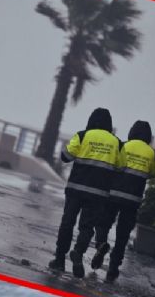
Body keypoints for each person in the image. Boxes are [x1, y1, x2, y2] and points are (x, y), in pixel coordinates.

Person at [49, 108, 119, 278]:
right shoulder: (116, 142)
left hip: (76, 189)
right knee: (87, 227)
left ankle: (59, 260)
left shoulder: (82, 135)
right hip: (98, 194)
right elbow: (120, 166)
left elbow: (66, 156)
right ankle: (78, 253)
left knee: (67, 222)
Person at [89, 120, 155, 283]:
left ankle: (101, 244)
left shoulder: (121, 145)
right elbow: (152, 174)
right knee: (123, 235)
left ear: (132, 132)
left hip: (113, 194)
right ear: (148, 136)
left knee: (102, 224)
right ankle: (113, 268)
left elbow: (113, 165)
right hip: (133, 199)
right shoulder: (153, 154)